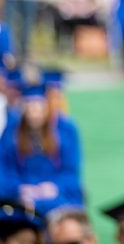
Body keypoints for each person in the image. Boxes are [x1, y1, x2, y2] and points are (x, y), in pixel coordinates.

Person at [0, 74, 83, 216]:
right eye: (30, 108)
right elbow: (5, 169)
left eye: (39, 108)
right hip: (21, 195)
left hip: (57, 193)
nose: (34, 114)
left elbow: (71, 171)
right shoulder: (12, 131)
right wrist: (20, 189)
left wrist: (54, 187)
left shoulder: (65, 130)